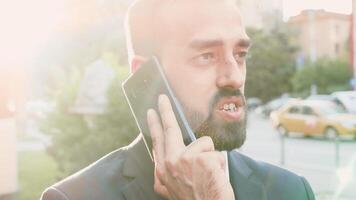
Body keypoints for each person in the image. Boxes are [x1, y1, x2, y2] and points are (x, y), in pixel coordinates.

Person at [41, 0, 315, 199]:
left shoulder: (291, 191)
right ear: (146, 75)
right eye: (206, 56)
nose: (234, 76)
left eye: (240, 54)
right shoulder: (75, 197)